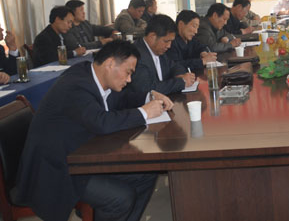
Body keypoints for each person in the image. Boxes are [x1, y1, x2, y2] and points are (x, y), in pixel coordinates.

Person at [15, 40, 172, 221]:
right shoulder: (76, 84)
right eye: (128, 73)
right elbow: (101, 122)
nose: (129, 80)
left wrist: (150, 96)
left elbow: (123, 99)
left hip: (81, 156)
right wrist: (144, 112)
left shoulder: (94, 75)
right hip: (58, 168)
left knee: (146, 174)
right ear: (110, 64)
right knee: (120, 199)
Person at [129, 14, 195, 96]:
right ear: (152, 36)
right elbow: (148, 89)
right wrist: (181, 82)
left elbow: (174, 66)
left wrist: (181, 75)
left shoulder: (158, 50)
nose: (169, 46)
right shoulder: (136, 55)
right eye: (166, 41)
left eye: (171, 41)